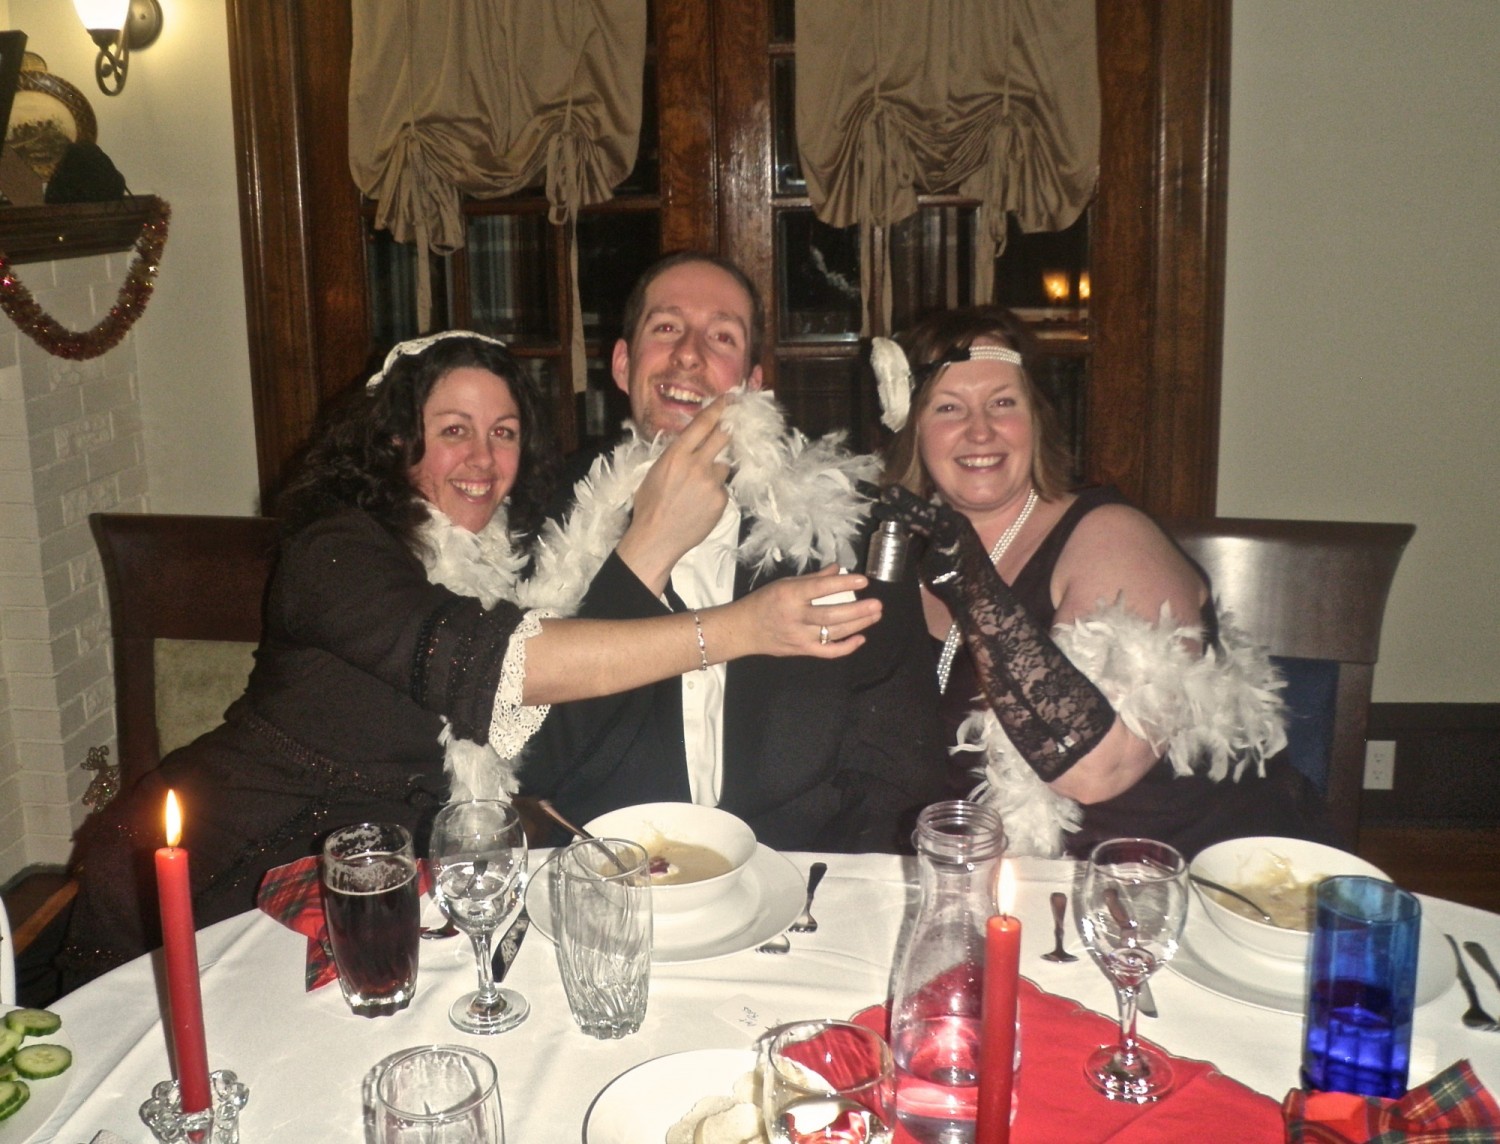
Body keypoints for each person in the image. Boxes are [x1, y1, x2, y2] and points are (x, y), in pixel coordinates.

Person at [58, 331, 881, 987]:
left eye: (504, 433)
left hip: (386, 902)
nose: (482, 462)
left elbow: (558, 719)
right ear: (392, 439)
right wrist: (737, 628)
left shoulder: (508, 567)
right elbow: (496, 671)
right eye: (453, 432)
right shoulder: (334, 552)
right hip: (223, 882)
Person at [517, 253, 949, 852]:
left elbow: (900, 769)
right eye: (666, 327)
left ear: (753, 383)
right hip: (605, 893)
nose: (689, 353)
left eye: (721, 336)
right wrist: (643, 556)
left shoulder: (851, 532)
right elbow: (525, 765)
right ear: (622, 363)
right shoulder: (536, 524)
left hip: (803, 897)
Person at [873, 306, 1327, 859]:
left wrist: (976, 588)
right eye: (948, 407)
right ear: (912, 429)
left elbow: (1098, 769)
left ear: (1036, 419)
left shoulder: (1110, 536)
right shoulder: (899, 562)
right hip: (1009, 889)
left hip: (1188, 884)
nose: (980, 429)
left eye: (1003, 403)